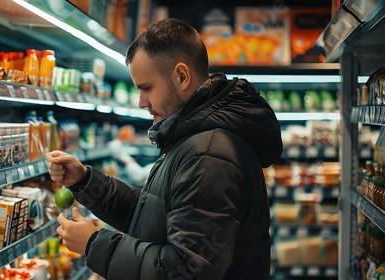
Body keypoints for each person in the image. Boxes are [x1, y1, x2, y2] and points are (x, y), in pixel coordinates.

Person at [46, 18, 283, 279]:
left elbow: (185, 269)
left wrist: (95, 244)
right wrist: (85, 182)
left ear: (181, 76)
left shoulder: (209, 154)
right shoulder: (192, 137)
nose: (140, 102)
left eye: (146, 88)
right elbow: (152, 213)